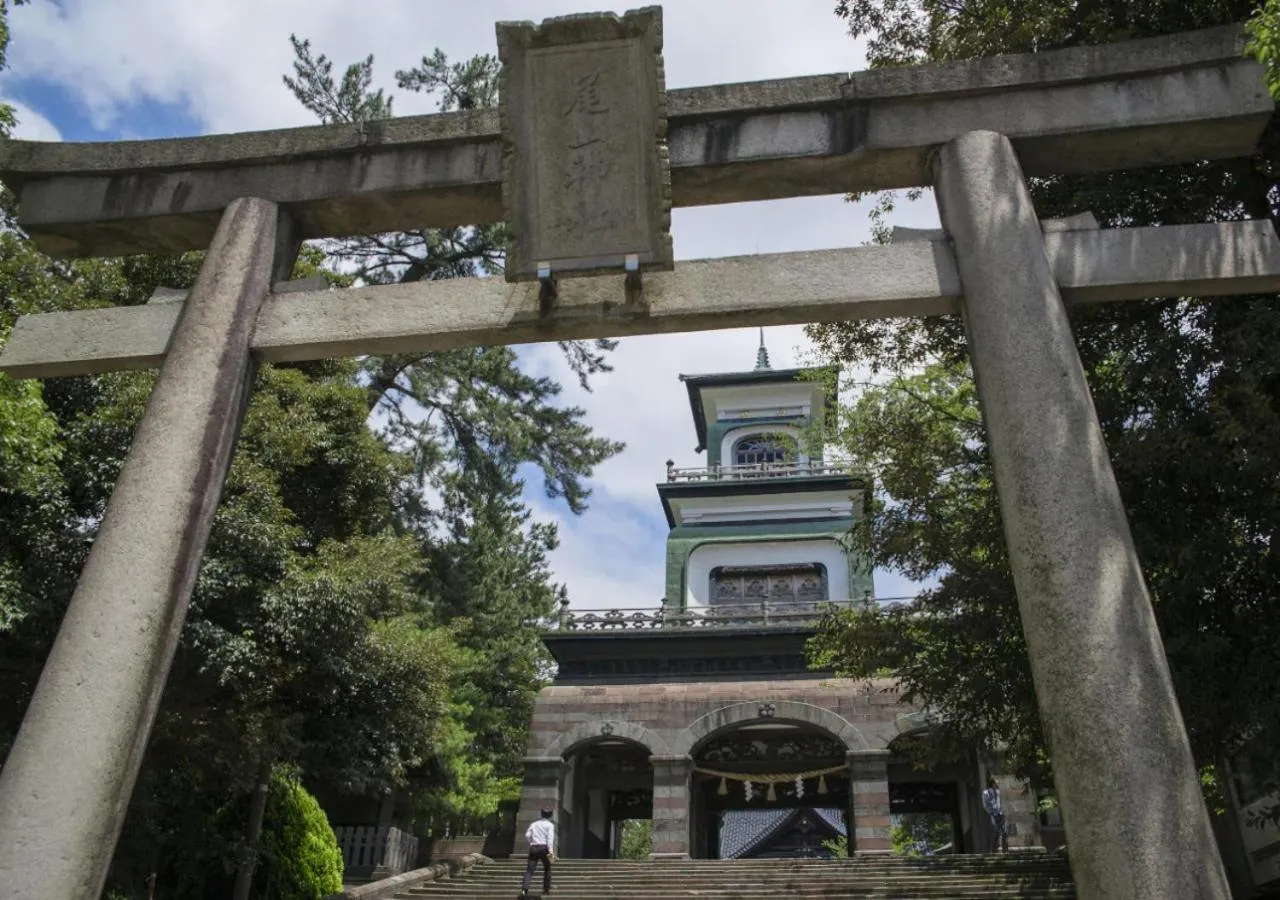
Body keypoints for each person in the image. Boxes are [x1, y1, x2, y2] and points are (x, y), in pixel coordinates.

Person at [521, 807, 556, 897]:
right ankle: (546, 889)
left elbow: (527, 835)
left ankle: (524, 889)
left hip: (534, 847)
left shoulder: (534, 824)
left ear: (541, 814)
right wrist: (551, 851)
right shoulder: (550, 825)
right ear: (550, 816)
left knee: (529, 870)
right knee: (547, 868)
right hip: (545, 848)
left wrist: (532, 842)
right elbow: (550, 839)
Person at [982, 775, 1009, 852]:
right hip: (992, 815)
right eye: (996, 783)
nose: (998, 784)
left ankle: (1005, 850)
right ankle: (993, 850)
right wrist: (990, 813)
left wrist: (1003, 812)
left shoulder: (998, 792)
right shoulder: (986, 793)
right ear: (992, 783)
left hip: (1000, 814)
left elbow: (1000, 803)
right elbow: (985, 805)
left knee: (1005, 831)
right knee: (995, 831)